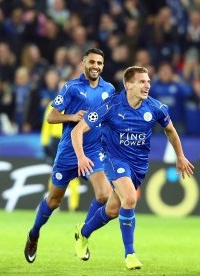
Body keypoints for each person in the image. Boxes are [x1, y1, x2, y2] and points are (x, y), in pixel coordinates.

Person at [71, 66, 195, 270]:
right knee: (130, 198)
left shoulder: (156, 108)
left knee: (111, 210)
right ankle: (130, 254)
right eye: (142, 81)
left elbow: (171, 131)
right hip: (113, 159)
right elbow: (78, 130)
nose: (147, 85)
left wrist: (180, 156)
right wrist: (81, 157)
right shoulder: (110, 106)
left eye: (148, 81)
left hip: (138, 165)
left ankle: (82, 233)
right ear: (128, 85)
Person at [24, 48, 115, 263]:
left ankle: (83, 232)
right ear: (83, 63)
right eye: (92, 62)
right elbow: (51, 117)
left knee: (105, 196)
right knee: (54, 201)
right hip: (68, 152)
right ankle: (34, 233)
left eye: (100, 63)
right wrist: (73, 116)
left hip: (93, 150)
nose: (96, 66)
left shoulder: (109, 89)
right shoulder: (71, 87)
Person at [40, 101, 80, 212]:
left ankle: (73, 206)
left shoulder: (78, 102)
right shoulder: (54, 104)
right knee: (55, 173)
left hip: (70, 140)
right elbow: (46, 123)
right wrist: (44, 142)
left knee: (73, 173)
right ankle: (52, 203)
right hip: (56, 141)